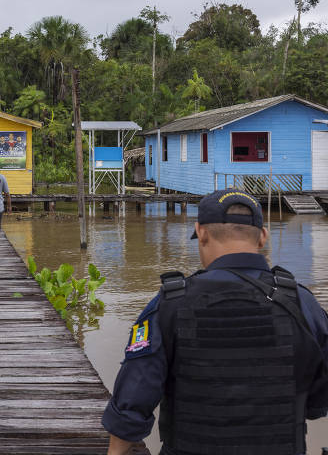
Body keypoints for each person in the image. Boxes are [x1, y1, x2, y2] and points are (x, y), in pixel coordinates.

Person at [102, 188, 328, 455]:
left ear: (202, 233)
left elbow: (134, 400)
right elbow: (318, 400)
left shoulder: (170, 303)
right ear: (263, 237)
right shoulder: (303, 304)